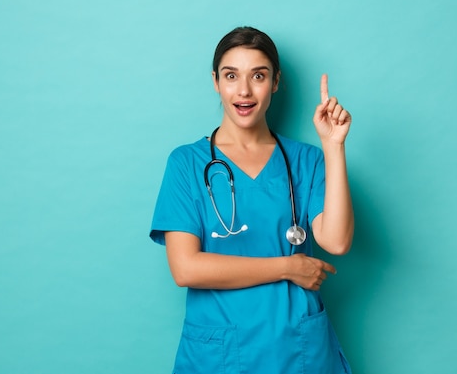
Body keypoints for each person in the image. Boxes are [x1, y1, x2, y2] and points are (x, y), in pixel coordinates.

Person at [149, 26, 354, 374]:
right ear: (216, 81)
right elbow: (186, 268)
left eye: (258, 76)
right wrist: (288, 267)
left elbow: (335, 241)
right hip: (221, 352)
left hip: (299, 349)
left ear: (275, 82)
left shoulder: (306, 160)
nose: (244, 90)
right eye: (231, 76)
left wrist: (333, 146)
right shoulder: (186, 164)